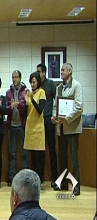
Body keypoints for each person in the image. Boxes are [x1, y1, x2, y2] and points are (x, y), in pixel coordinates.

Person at [51, 63, 83, 196]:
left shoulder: (76, 85)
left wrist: (66, 118)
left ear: (70, 71)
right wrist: (54, 117)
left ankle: (76, 186)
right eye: (61, 70)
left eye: (63, 70)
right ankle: (63, 183)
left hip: (72, 128)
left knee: (74, 158)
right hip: (61, 128)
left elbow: (79, 106)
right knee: (62, 157)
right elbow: (55, 106)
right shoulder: (58, 88)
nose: (61, 72)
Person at [36, 63, 58, 189]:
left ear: (44, 72)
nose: (38, 74)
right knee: (40, 150)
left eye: (39, 72)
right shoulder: (37, 85)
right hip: (38, 121)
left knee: (52, 149)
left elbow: (56, 100)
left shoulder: (51, 84)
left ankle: (54, 178)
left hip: (49, 119)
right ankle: (40, 179)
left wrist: (55, 115)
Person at [6, 70, 29, 186]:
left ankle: (24, 179)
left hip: (23, 126)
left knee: (24, 153)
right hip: (12, 125)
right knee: (12, 154)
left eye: (16, 77)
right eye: (12, 77)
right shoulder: (8, 92)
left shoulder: (26, 91)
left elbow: (27, 108)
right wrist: (11, 107)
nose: (14, 79)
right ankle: (12, 178)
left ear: (20, 78)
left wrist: (19, 105)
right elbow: (6, 109)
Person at [23, 72, 46, 183]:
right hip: (30, 127)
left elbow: (40, 109)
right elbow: (26, 112)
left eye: (34, 82)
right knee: (31, 158)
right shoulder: (30, 94)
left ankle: (39, 181)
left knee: (39, 158)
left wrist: (31, 99)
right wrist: (25, 103)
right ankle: (32, 182)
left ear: (38, 82)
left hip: (38, 128)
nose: (32, 84)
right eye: (31, 82)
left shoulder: (41, 92)